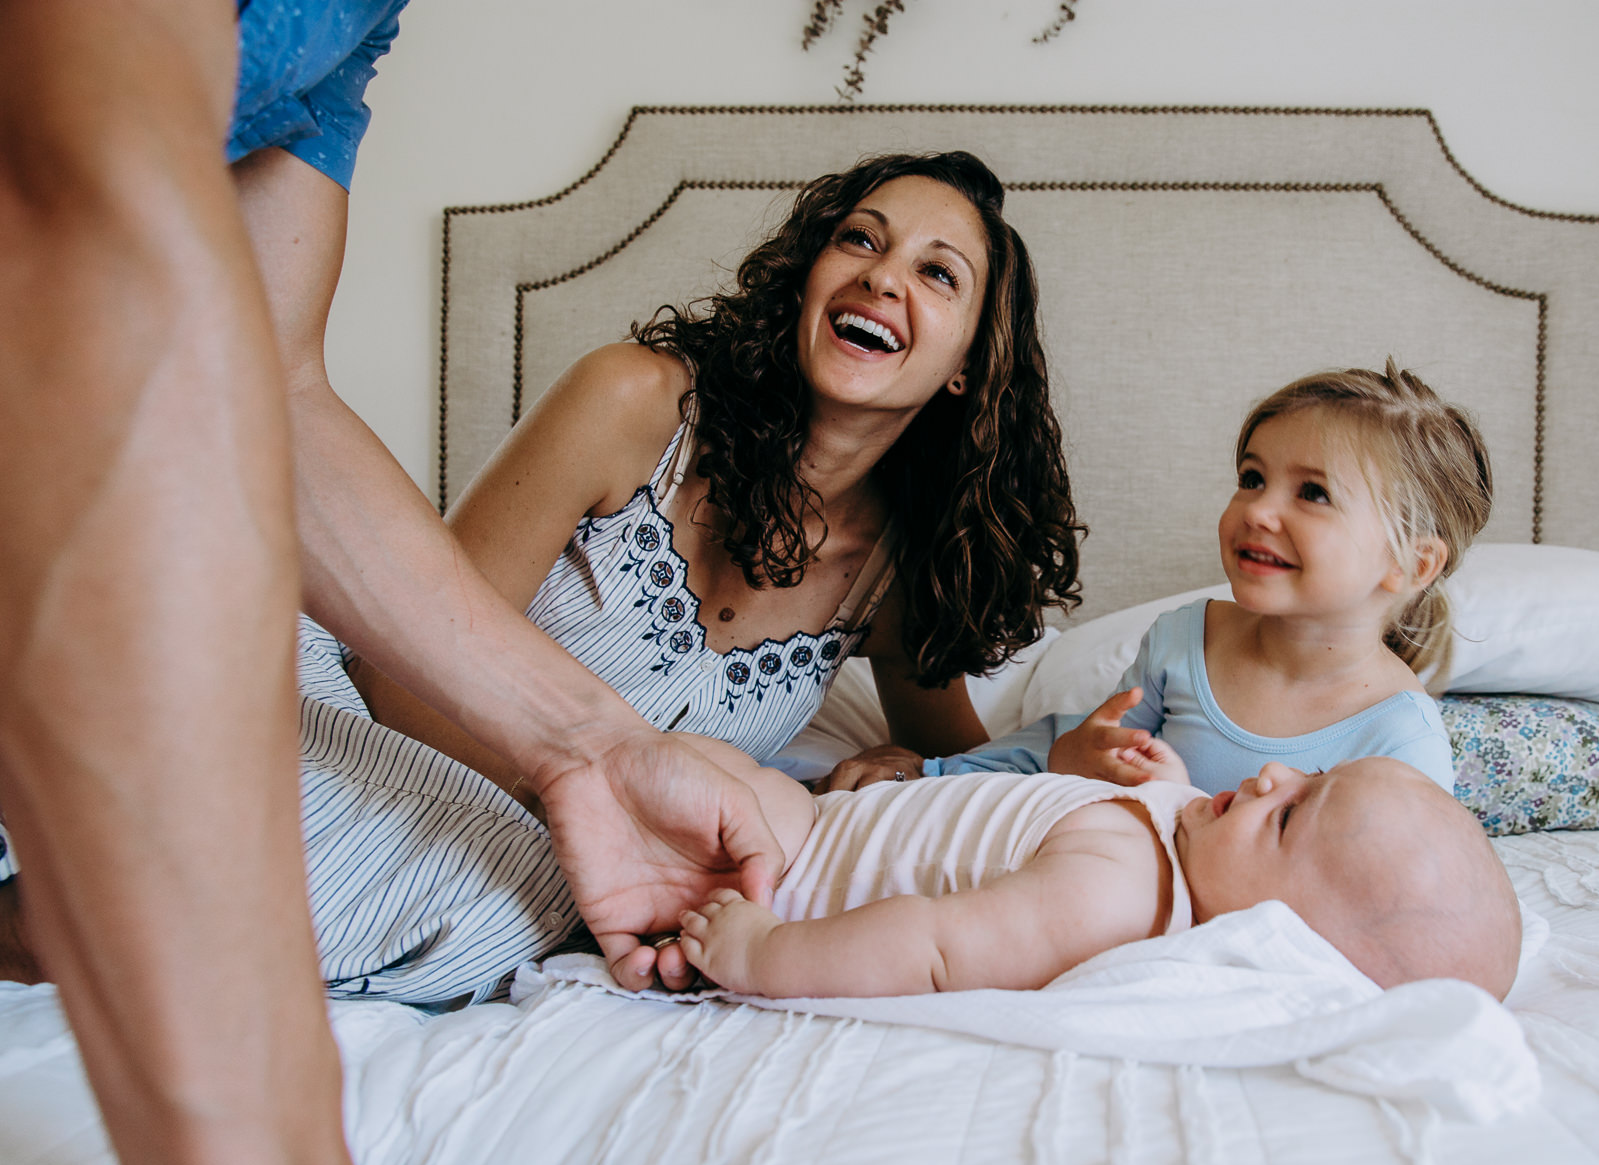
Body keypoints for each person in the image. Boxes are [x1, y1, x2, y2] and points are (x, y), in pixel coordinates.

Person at [0, 2, 779, 1165]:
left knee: (490, 904)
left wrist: (582, 746)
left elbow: (273, 397)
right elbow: (80, 236)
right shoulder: (643, 401)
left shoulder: (348, 24)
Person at [271, 149, 1077, 1003]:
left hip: (521, 858)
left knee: (504, 909)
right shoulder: (635, 404)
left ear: (966, 363)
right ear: (808, 276)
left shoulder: (893, 580)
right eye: (858, 240)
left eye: (937, 273)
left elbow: (966, 765)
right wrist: (596, 785)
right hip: (347, 716)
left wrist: (919, 773)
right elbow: (391, 672)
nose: (882, 278)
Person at [925, 364, 1494, 795]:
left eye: (1313, 492)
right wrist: (922, 774)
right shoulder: (1184, 641)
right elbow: (1073, 751)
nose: (1258, 511)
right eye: (1252, 477)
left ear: (1411, 565)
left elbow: (1371, 908)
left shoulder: (1399, 741)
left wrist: (1182, 812)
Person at [653, 737, 1521, 1004]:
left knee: (681, 772)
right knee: (688, 763)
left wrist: (766, 952)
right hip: (819, 817)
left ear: (1281, 941)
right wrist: (1169, 784)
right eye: (1311, 772)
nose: (1271, 776)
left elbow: (933, 948)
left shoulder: (1109, 900)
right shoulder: (1178, 853)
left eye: (1290, 813)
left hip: (796, 867)